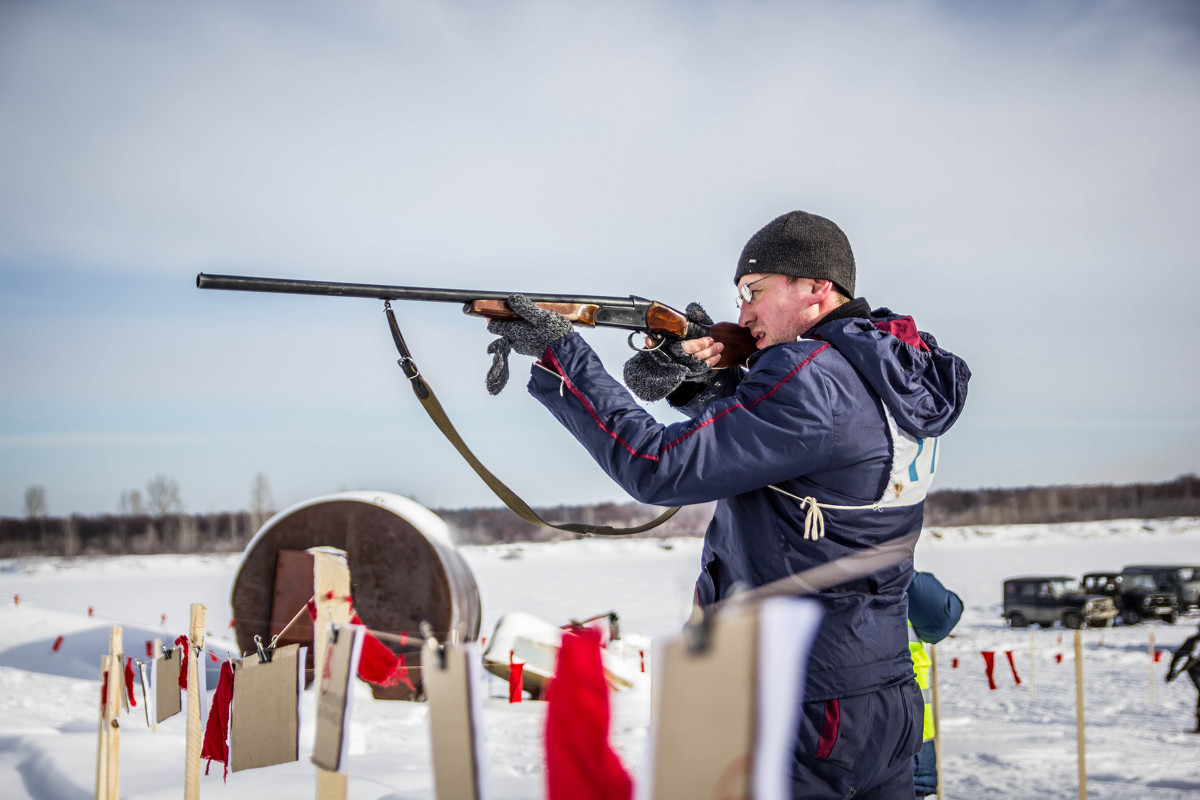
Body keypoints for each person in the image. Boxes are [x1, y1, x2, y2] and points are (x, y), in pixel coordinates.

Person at [483, 210, 971, 799]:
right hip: (884, 694)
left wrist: (565, 356)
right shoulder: (891, 373)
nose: (742, 315)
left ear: (816, 288)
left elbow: (657, 466)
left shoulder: (812, 376)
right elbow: (796, 446)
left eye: (754, 293)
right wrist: (700, 384)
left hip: (802, 700)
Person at [907, 571, 964, 798]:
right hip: (910, 732)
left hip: (910, 731)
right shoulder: (890, 557)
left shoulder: (799, 553)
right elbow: (944, 616)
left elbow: (943, 617)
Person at [1167, 623, 1200, 733]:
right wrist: (1172, 671)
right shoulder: (1193, 641)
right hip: (1196, 672)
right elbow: (1178, 655)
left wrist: (1172, 671)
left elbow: (1177, 656)